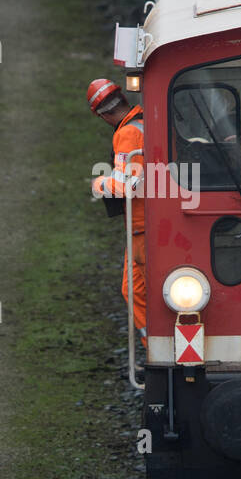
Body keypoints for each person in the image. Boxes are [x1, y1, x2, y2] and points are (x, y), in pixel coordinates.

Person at [88, 78, 147, 352]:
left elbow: (126, 186)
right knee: (132, 290)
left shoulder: (127, 134)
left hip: (143, 228)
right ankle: (156, 346)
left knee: (138, 292)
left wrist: (100, 184)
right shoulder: (145, 121)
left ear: (102, 115)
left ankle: (157, 349)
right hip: (144, 225)